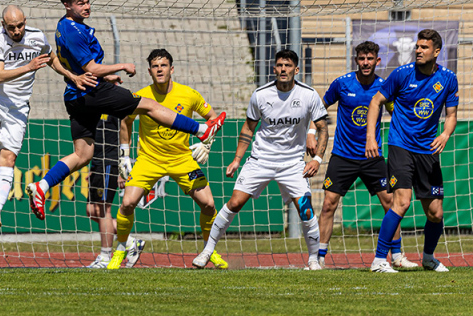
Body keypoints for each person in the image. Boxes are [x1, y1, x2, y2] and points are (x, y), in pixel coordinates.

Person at [25, 0, 225, 220]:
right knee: (150, 105)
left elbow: (68, 62)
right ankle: (201, 130)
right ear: (67, 5)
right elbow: (92, 68)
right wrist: (121, 66)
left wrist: (92, 76)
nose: (87, 6)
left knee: (82, 155)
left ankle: (42, 186)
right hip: (93, 92)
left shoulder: (62, 25)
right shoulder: (74, 31)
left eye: (88, 1)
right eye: (81, 3)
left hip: (75, 94)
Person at [0, 5, 96, 228]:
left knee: (8, 158)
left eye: (20, 25)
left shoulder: (37, 37)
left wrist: (71, 76)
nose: (17, 31)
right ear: (3, 25)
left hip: (18, 108)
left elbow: (51, 58)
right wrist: (29, 67)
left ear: (25, 21)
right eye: (12, 27)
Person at [196, 50, 329, 270]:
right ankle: (207, 251)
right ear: (274, 68)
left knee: (306, 210)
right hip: (261, 159)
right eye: (280, 65)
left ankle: (314, 260)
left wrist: (316, 159)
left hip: (292, 163)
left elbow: (323, 128)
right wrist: (237, 159)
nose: (283, 69)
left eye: (288, 65)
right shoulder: (260, 94)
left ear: (296, 70)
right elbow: (249, 128)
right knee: (235, 203)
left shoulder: (309, 94)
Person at [109, 49, 227, 270]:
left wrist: (206, 144)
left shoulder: (189, 94)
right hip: (149, 159)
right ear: (149, 71)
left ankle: (209, 251)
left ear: (171, 69)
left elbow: (213, 118)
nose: (160, 69)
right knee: (127, 203)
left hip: (181, 159)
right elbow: (125, 120)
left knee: (209, 204)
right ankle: (121, 249)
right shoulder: (141, 95)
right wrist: (124, 154)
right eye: (155, 66)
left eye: (163, 65)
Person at [315, 41, 418, 268]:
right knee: (328, 204)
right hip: (343, 155)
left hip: (372, 156)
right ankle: (319, 258)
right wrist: (312, 133)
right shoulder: (342, 83)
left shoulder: (384, 87)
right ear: (356, 60)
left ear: (377, 61)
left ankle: (397, 256)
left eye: (370, 59)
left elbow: (396, 113)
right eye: (361, 58)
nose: (365, 63)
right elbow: (319, 108)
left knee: (391, 203)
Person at [367, 29, 458, 273]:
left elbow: (451, 115)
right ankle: (379, 260)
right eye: (417, 46)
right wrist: (371, 138)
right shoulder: (402, 74)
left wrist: (445, 134)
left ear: (436, 52)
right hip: (401, 146)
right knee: (402, 202)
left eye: (424, 47)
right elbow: (376, 102)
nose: (418, 50)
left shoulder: (448, 78)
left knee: (436, 213)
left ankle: (428, 258)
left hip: (428, 150)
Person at [84, 115, 144, 269]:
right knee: (91, 210)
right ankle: (131, 242)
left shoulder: (115, 107)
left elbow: (125, 135)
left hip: (110, 162)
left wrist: (121, 169)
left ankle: (105, 257)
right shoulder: (95, 105)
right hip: (97, 163)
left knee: (103, 209)